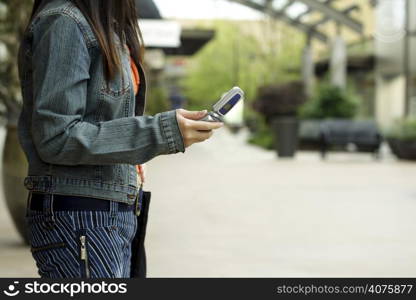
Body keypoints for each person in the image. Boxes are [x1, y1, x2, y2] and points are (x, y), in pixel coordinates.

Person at [17, 0, 223, 278]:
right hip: (81, 216)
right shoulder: (64, 21)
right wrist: (159, 132)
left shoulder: (108, 28)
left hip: (112, 211)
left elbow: (104, 122)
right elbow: (57, 137)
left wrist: (130, 159)